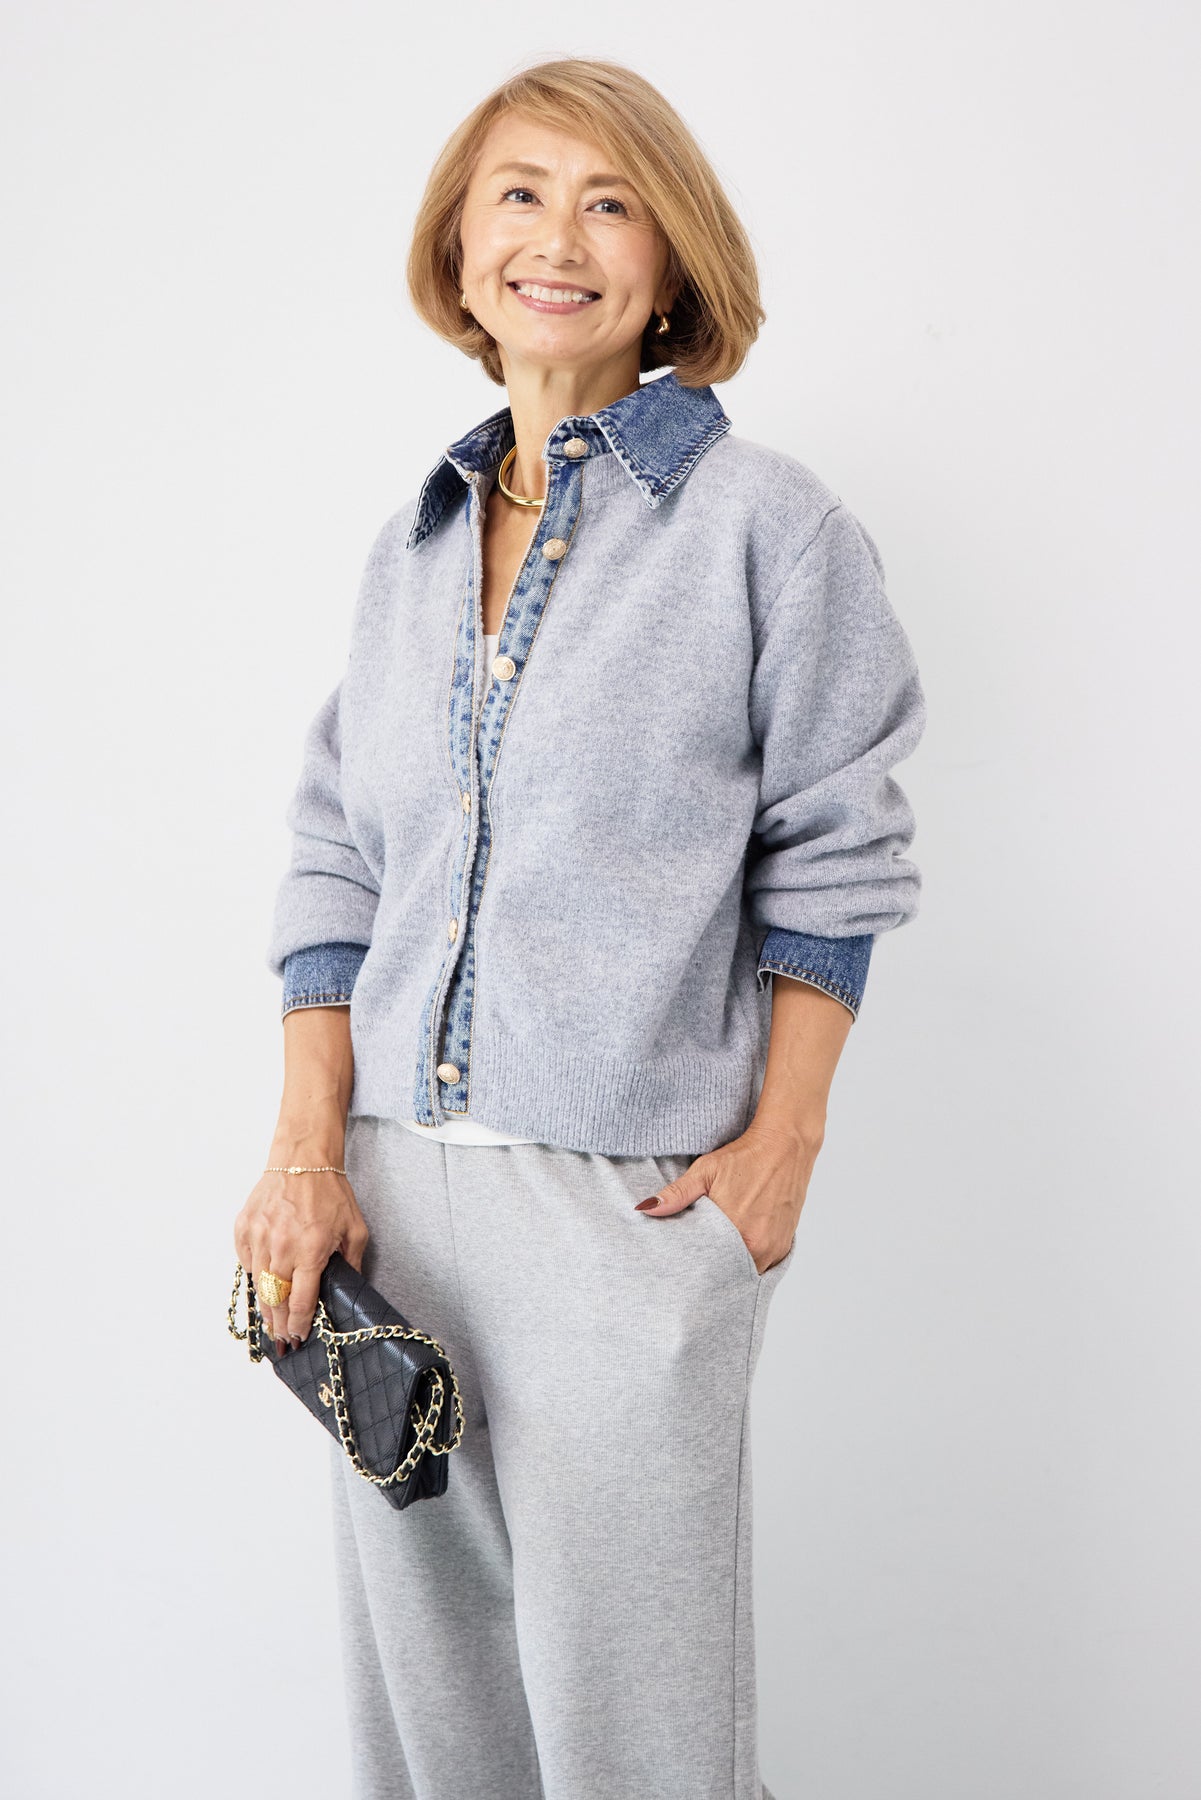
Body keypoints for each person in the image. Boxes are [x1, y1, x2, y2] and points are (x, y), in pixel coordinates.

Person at [233, 55, 926, 1800]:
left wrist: (781, 1147)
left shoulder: (769, 532)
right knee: (435, 1730)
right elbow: (334, 862)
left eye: (610, 203)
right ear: (459, 250)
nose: (559, 239)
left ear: (670, 260)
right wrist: (306, 1155)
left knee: (643, 1746)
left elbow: (837, 854)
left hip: (623, 1212)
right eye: (521, 196)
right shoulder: (411, 549)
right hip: (390, 1210)